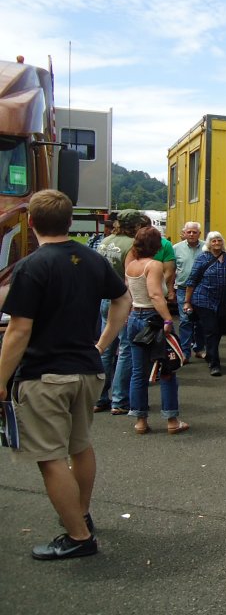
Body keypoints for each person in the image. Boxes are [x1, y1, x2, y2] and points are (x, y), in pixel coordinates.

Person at [0, 190, 130, 560]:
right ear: (70, 221)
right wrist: (102, 345)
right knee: (80, 445)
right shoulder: (92, 259)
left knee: (49, 456)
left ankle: (78, 536)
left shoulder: (32, 266)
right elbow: (122, 300)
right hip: (87, 370)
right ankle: (81, 515)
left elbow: (19, 331)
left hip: (45, 373)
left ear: (31, 221)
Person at [124, 226, 189, 435]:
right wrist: (168, 319)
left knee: (138, 372)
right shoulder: (155, 265)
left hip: (134, 316)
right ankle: (171, 420)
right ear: (156, 245)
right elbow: (155, 294)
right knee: (167, 369)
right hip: (153, 319)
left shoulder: (131, 264)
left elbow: (129, 293)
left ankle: (140, 421)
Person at [95, 209, 146, 414]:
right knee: (125, 349)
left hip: (104, 299)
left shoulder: (105, 242)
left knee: (105, 347)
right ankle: (119, 400)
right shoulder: (132, 246)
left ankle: (99, 398)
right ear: (134, 226)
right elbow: (129, 277)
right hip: (122, 299)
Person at [182, 231, 226, 377]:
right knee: (211, 330)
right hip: (204, 300)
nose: (217, 243)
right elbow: (192, 280)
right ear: (209, 243)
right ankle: (214, 364)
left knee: (219, 330)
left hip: (223, 301)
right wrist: (187, 302)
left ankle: (210, 353)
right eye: (214, 241)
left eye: (219, 240)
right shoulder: (202, 258)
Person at [173, 221, 205, 360]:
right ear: (184, 233)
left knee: (200, 321)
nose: (191, 234)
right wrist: (169, 289)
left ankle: (199, 348)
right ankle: (185, 353)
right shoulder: (176, 248)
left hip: (201, 289)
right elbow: (171, 269)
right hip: (182, 289)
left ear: (199, 233)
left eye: (194, 232)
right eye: (189, 232)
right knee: (185, 320)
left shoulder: (206, 247)